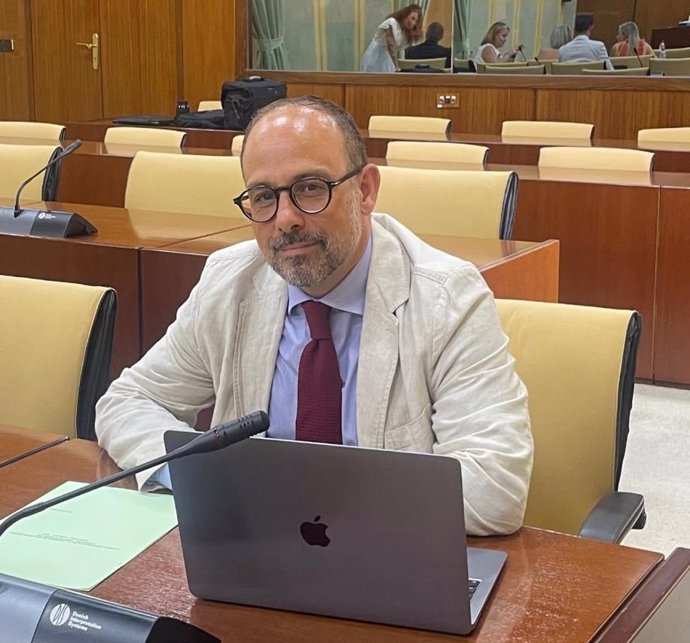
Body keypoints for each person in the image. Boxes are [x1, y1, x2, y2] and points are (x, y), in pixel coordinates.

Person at [95, 96, 533, 537]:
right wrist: (201, 481)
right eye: (264, 196)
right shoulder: (230, 282)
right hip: (252, 554)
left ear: (364, 191)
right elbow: (129, 402)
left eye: (309, 188)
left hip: (385, 562)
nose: (285, 219)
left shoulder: (446, 298)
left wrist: (290, 494)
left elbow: (496, 487)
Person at [361, 4, 423, 72]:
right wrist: (396, 66)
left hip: (387, 57)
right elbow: (391, 45)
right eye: (412, 18)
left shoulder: (406, 33)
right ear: (405, 15)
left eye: (416, 21)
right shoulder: (392, 22)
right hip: (376, 55)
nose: (413, 23)